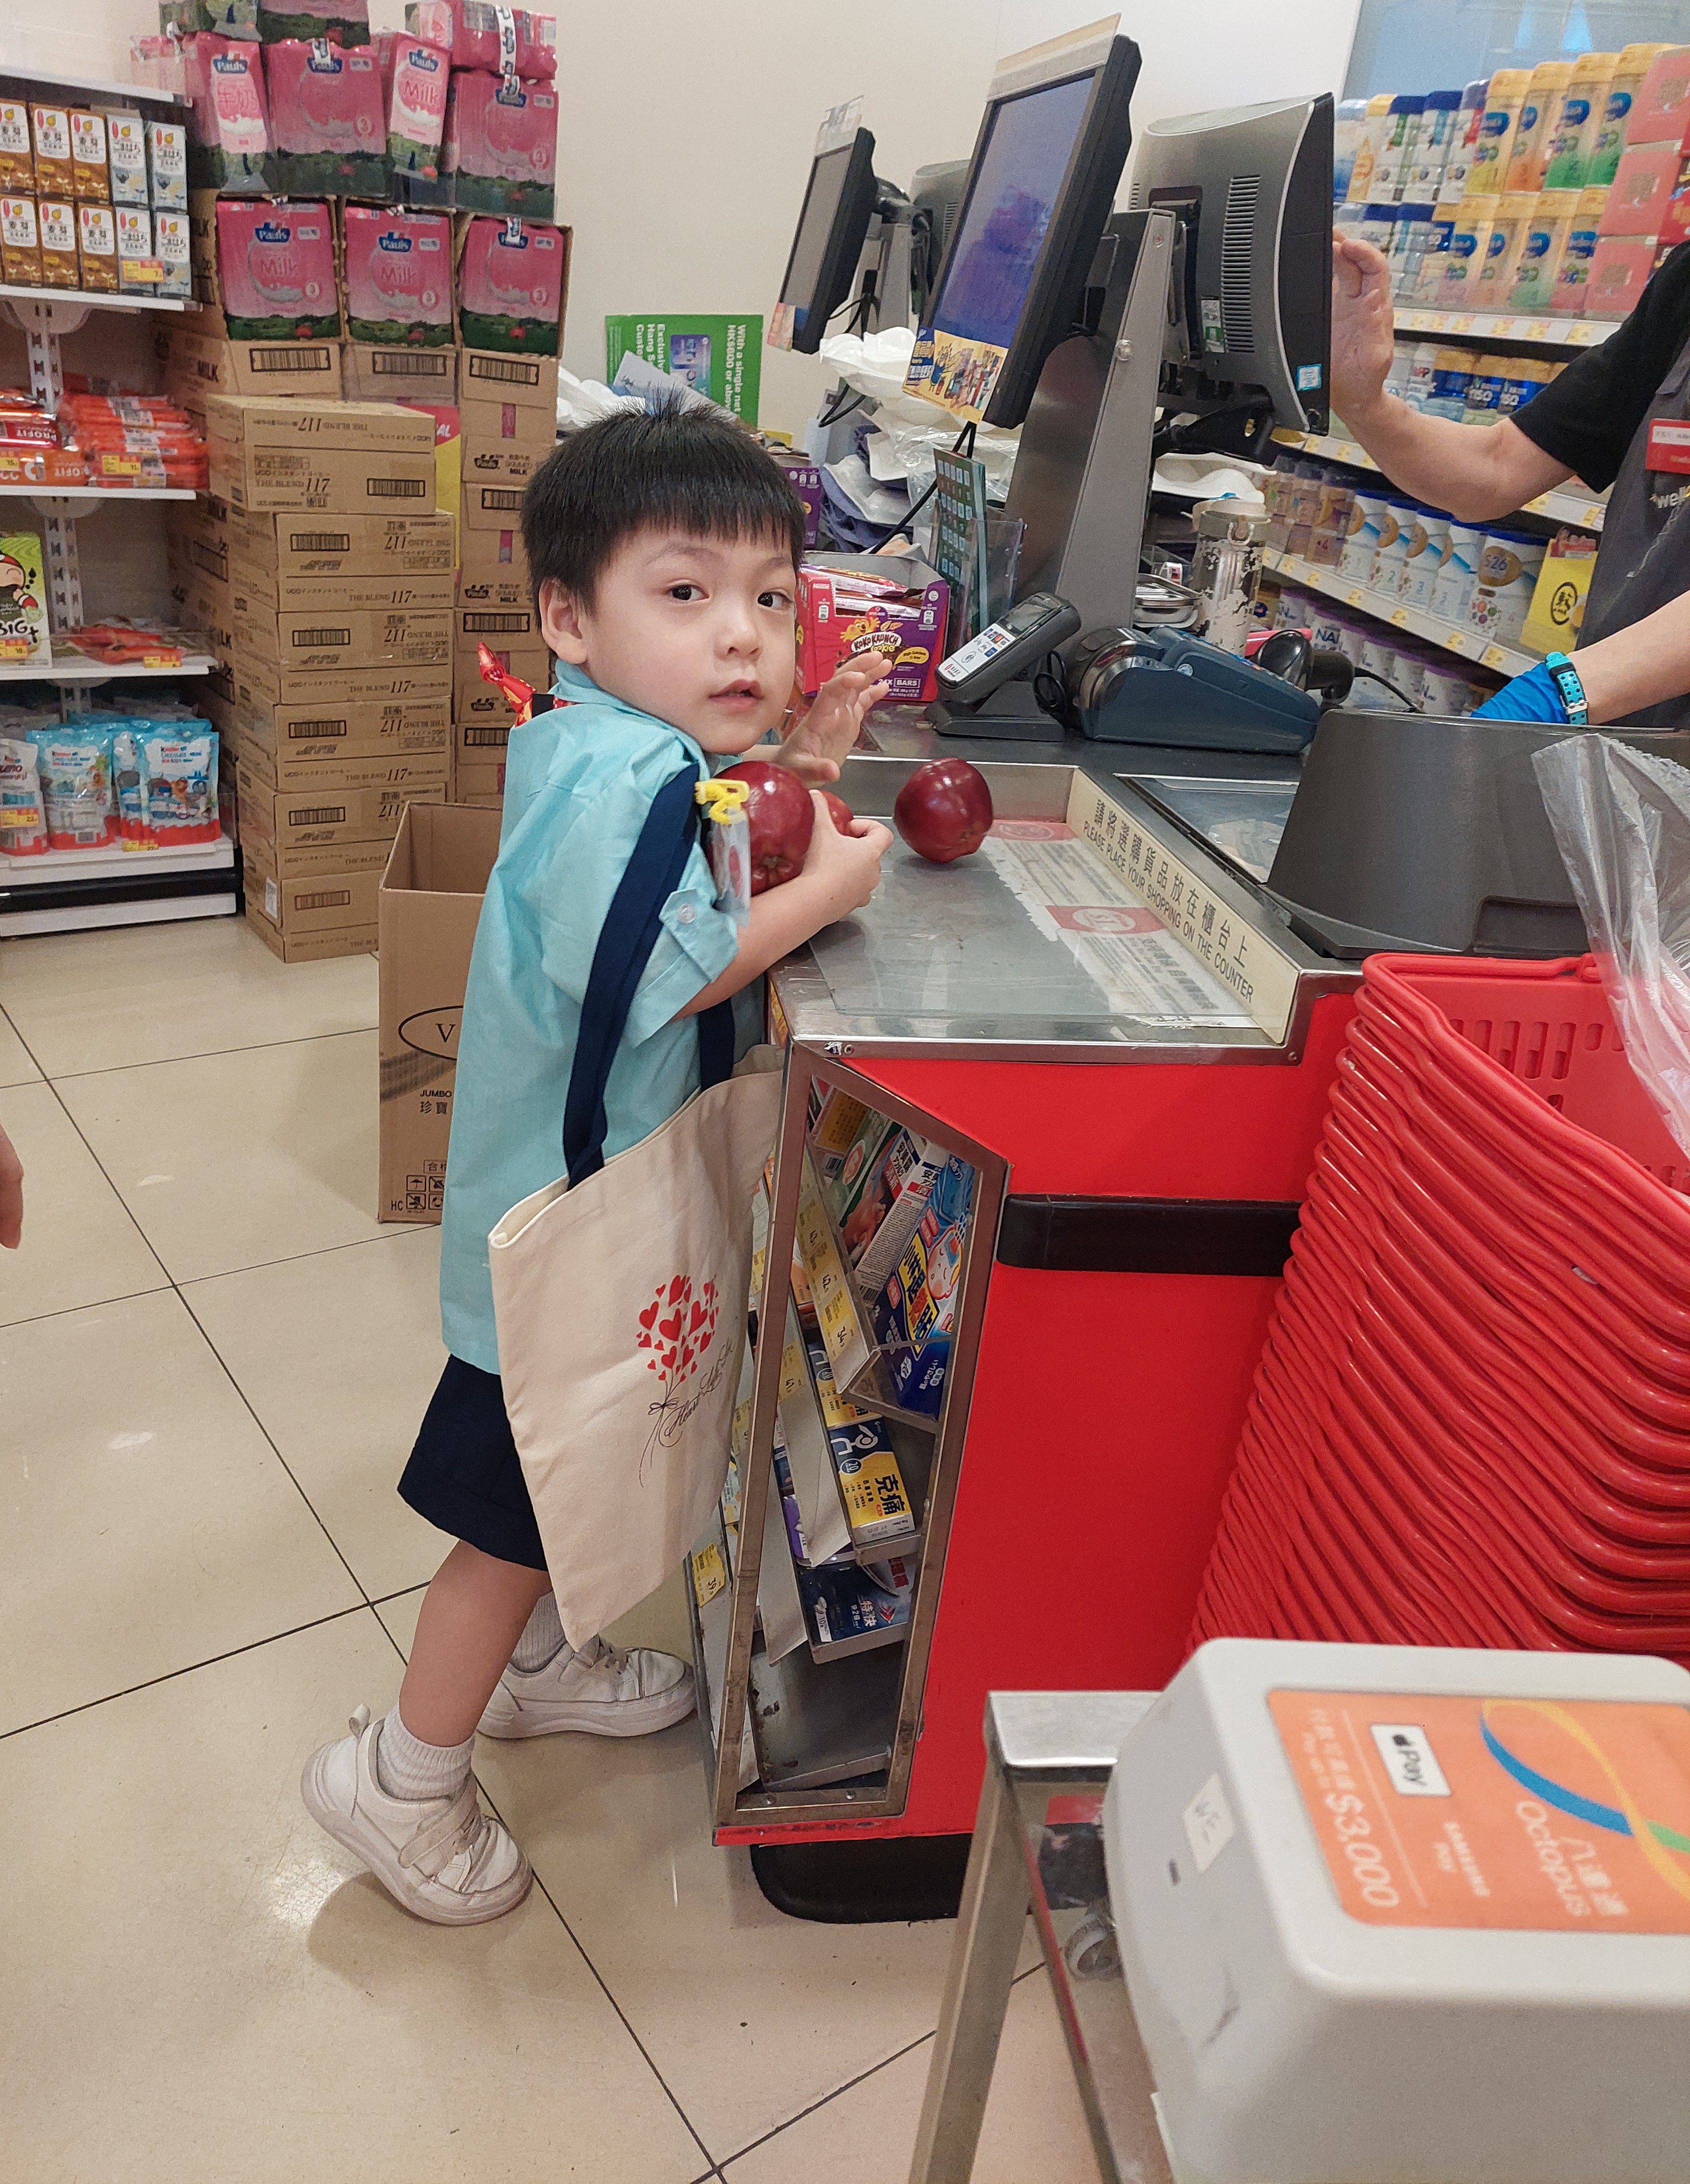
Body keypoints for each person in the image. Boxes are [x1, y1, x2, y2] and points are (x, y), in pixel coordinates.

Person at [302, 404, 895, 1924]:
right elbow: (677, 973)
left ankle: (536, 1670)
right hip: (562, 1239)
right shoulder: (616, 780)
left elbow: (699, 866)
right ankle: (401, 1777)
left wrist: (806, 757)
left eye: (770, 596)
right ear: (568, 618)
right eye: (684, 592)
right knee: (511, 1522)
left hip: (579, 1206)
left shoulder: (620, 747)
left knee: (572, 1472)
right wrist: (829, 890)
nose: (741, 633)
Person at [1331, 232, 1690, 729]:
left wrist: (1556, 694)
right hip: (1626, 736)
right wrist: (1362, 401)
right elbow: (1496, 469)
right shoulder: (1685, 283)